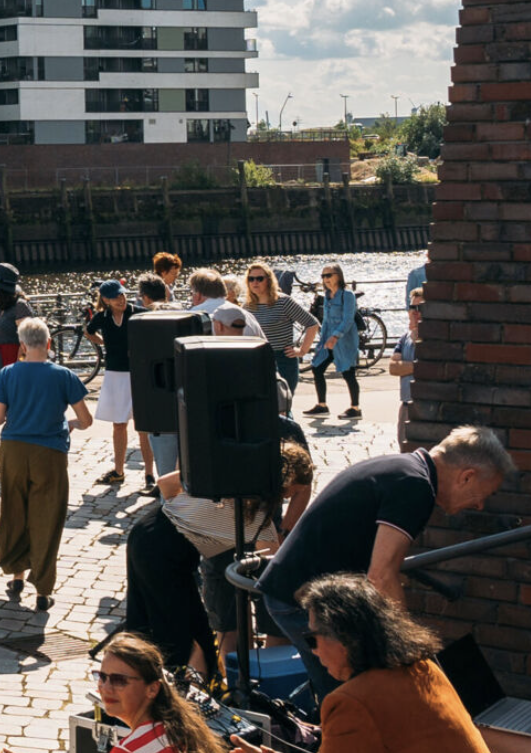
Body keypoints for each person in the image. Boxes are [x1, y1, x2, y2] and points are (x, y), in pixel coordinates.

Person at [258, 425, 514, 702]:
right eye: (484, 495)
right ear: (467, 476)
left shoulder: (404, 468)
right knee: (358, 698)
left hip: (298, 591)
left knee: (352, 694)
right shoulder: (416, 487)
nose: (479, 506)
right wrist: (408, 645)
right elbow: (381, 575)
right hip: (302, 598)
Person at [120, 443, 307, 679]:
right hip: (163, 555)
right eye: (292, 492)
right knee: (184, 632)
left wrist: (193, 500)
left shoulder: (226, 479)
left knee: (149, 621)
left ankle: (139, 680)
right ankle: (184, 690)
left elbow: (165, 484)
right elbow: (274, 567)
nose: (289, 498)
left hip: (148, 532)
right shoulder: (259, 519)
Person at [290, 573, 489, 753]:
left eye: (312, 638)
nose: (313, 650)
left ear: (344, 638)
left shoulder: (351, 702)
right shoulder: (424, 667)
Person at [0, 318, 90, 612]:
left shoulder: (8, 374)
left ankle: (16, 574)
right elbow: (86, 420)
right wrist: (69, 423)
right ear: (48, 343)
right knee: (48, 518)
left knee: (14, 510)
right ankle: (43, 590)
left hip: (14, 451)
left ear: (22, 346)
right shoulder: (64, 375)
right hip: (50, 454)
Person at [90, 634, 225, 753]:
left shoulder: (128, 750)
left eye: (119, 680)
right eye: (102, 676)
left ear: (152, 689)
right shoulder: (181, 733)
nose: (106, 688)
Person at [86, 280, 147, 490]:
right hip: (114, 373)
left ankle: (149, 474)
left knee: (143, 426)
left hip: (137, 372)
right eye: (114, 297)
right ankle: (119, 471)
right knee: (119, 425)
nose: (120, 300)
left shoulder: (139, 313)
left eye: (121, 295)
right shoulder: (102, 317)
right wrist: (104, 343)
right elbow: (88, 331)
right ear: (105, 300)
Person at [242, 261, 319, 416]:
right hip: (260, 361)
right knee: (265, 406)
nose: (255, 282)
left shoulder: (283, 302)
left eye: (259, 279)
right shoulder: (247, 306)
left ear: (268, 280)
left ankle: (290, 437)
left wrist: (302, 350)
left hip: (283, 359)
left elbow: (312, 323)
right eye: (251, 279)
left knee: (283, 406)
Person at [305, 262, 362, 420]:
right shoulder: (327, 296)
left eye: (329, 275)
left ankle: (355, 408)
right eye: (323, 276)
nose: (325, 279)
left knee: (348, 372)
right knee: (317, 367)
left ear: (338, 276)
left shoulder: (347, 295)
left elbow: (348, 319)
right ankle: (322, 405)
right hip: (327, 339)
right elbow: (327, 320)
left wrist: (336, 336)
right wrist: (323, 338)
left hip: (343, 340)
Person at [0, 263, 34, 402]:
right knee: (1, 407)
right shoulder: (0, 305)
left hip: (13, 359)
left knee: (13, 403)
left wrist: (18, 366)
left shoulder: (20, 305)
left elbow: (28, 341)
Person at [389, 289, 424, 450]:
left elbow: (428, 369)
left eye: (420, 308)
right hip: (405, 404)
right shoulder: (404, 338)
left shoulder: (431, 337)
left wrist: (407, 366)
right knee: (403, 446)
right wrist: (416, 367)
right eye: (412, 307)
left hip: (422, 404)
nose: (415, 312)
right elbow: (393, 367)